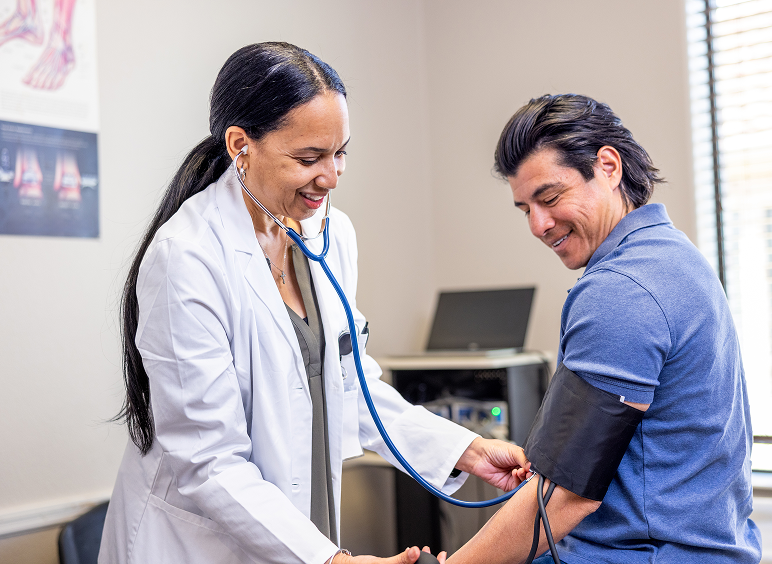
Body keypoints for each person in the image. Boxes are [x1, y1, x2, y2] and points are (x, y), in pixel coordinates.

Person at [98, 42, 528, 564]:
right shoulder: (186, 258)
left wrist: (463, 447)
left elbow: (352, 386)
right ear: (240, 145)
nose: (332, 176)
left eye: (340, 152)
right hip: (197, 544)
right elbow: (209, 463)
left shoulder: (330, 234)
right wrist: (335, 562)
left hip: (300, 527)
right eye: (308, 158)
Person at [445, 94, 761, 564]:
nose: (538, 224)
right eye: (524, 208)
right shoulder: (675, 257)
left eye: (550, 198)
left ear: (608, 166)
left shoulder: (621, 290)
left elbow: (567, 494)